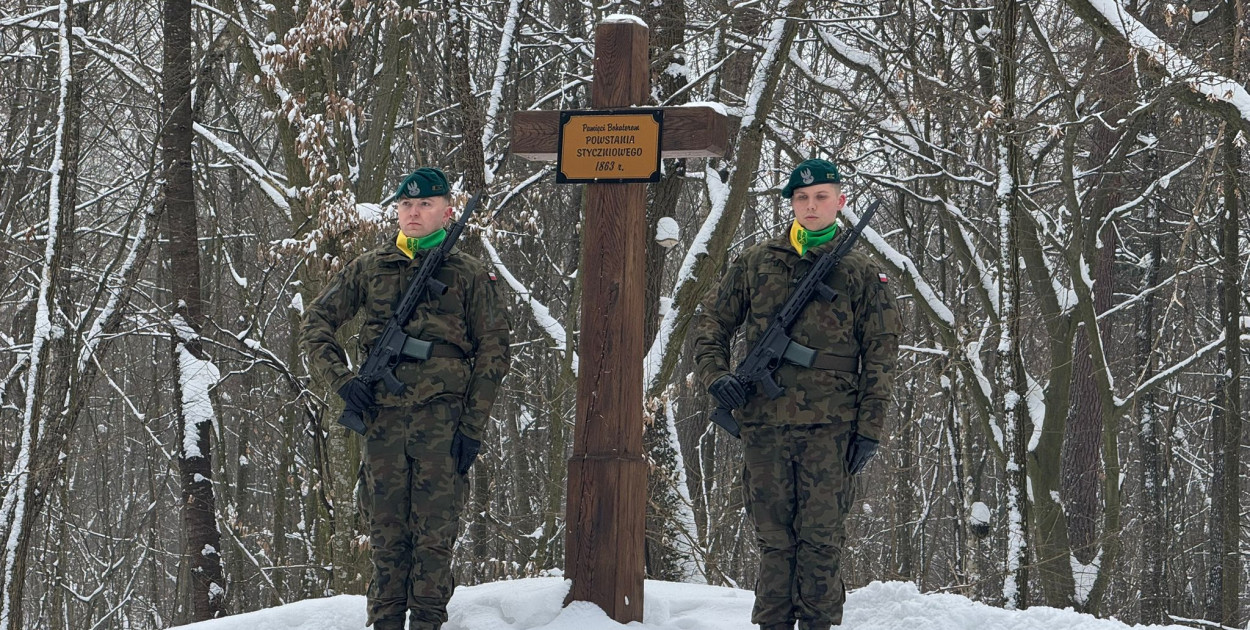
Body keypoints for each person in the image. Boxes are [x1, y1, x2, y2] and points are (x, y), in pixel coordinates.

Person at [693, 159, 901, 630]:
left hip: (832, 430)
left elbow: (882, 357)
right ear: (791, 203)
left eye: (821, 197)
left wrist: (869, 429)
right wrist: (716, 376)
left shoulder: (863, 274)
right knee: (773, 541)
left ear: (840, 202)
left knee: (821, 542)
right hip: (763, 426)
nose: (811, 206)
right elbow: (711, 324)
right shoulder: (757, 261)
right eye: (802, 198)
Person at [300, 167, 511, 630]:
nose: (413, 213)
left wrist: (472, 427)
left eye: (425, 205)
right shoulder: (369, 268)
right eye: (406, 205)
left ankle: (428, 624)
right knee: (385, 539)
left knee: (434, 539)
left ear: (447, 211)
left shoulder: (470, 275)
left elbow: (495, 353)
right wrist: (341, 382)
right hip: (382, 424)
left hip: (443, 425)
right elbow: (315, 324)